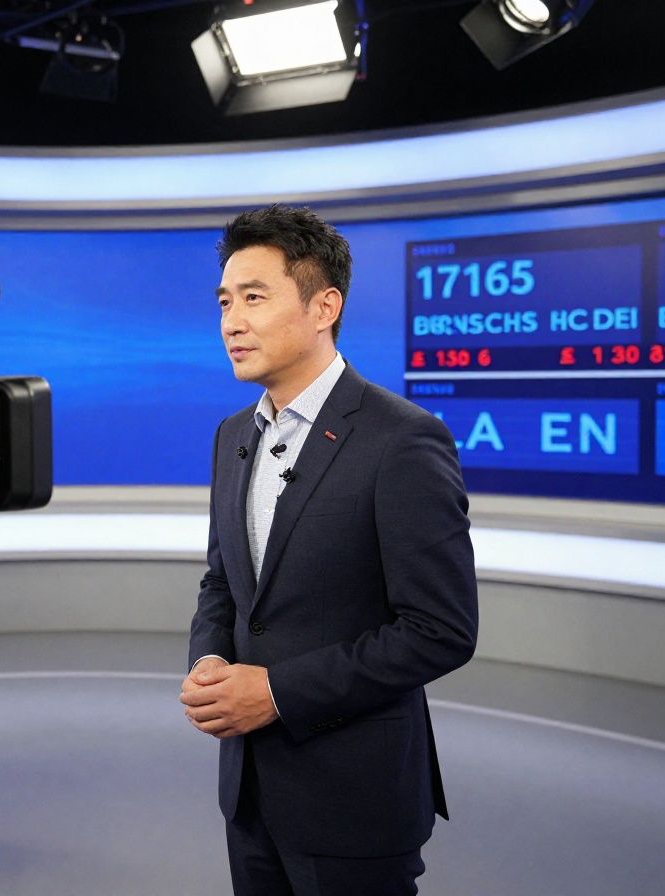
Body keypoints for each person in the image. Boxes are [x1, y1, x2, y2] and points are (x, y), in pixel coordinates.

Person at [180, 205, 478, 896]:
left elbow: (440, 631)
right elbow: (224, 583)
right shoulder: (234, 436)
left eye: (255, 297)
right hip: (250, 793)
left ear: (324, 307)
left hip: (354, 802)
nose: (232, 320)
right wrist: (211, 661)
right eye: (225, 301)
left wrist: (277, 692)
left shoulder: (403, 440)